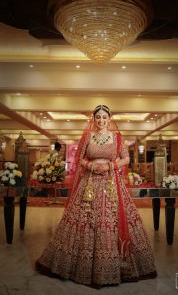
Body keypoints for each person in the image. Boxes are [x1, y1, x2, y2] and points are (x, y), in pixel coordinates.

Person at [35, 105, 157, 287]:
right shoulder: (88, 137)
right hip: (89, 184)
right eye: (98, 117)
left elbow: (126, 159)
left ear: (110, 118)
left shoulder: (116, 137)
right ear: (94, 119)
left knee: (111, 219)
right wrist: (91, 166)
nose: (101, 120)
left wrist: (111, 166)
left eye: (104, 117)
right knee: (85, 220)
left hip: (111, 183)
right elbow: (79, 159)